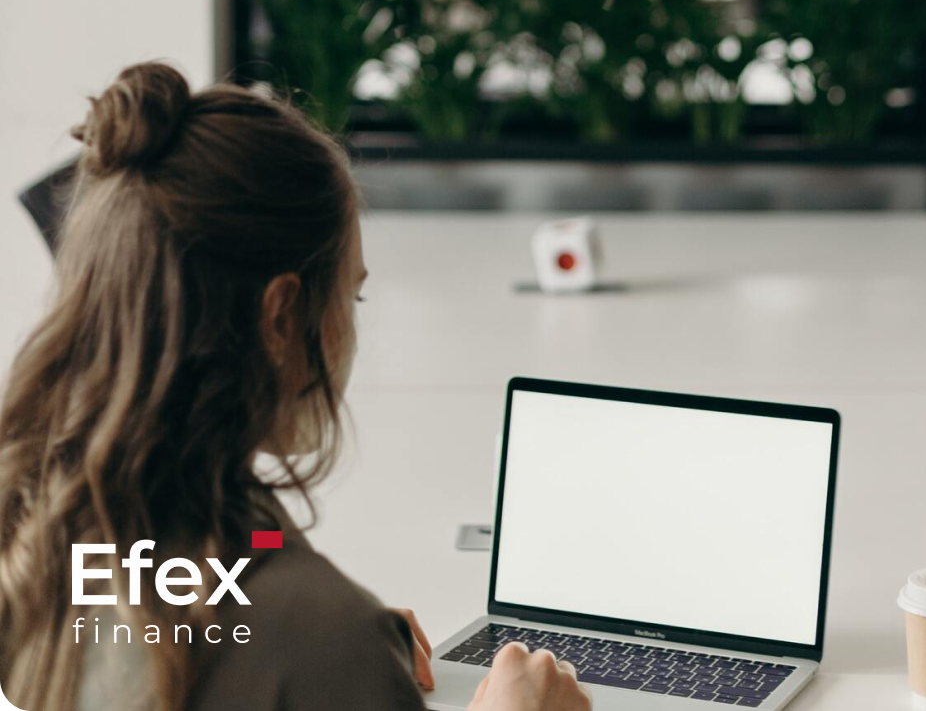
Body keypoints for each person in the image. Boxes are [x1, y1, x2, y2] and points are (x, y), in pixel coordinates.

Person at [0, 63, 590, 711]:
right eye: (350, 292)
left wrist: (315, 620)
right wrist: (327, 638)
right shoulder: (325, 648)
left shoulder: (35, 516)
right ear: (281, 316)